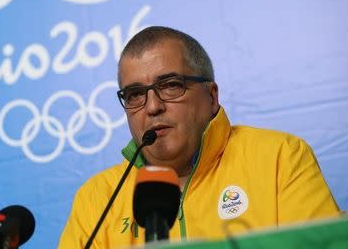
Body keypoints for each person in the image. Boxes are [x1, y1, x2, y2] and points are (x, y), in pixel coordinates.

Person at [58, 26, 340, 248]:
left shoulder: (279, 157)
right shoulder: (97, 197)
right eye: (135, 95)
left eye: (170, 85)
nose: (153, 106)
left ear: (211, 96)